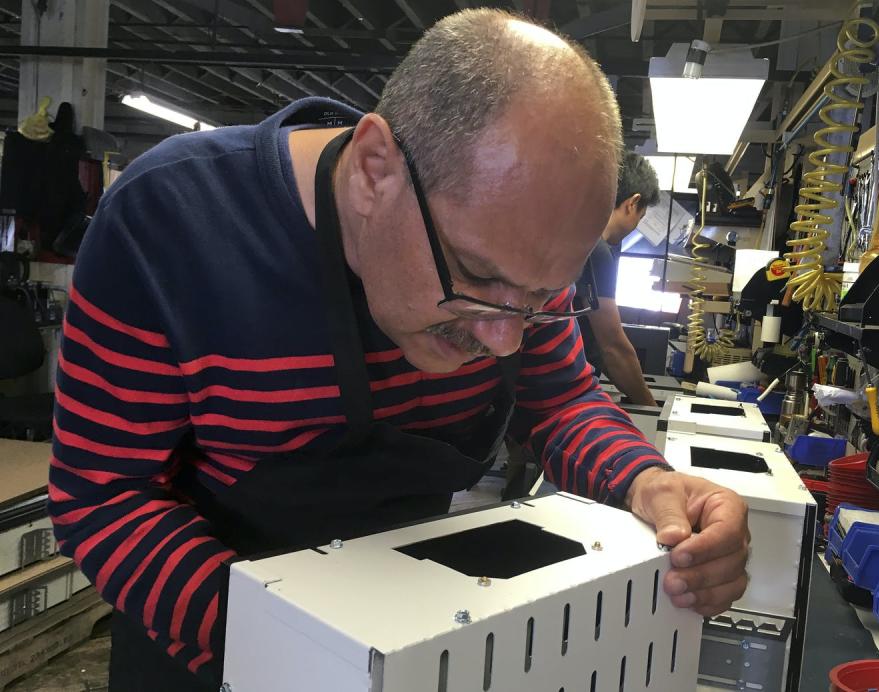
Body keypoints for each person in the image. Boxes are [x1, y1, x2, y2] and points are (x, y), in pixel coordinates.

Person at [48, 10, 749, 691]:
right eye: (477, 277)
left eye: (542, 299)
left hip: (412, 629)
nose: (505, 336)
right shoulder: (170, 221)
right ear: (375, 168)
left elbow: (560, 399)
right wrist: (283, 646)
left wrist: (646, 481)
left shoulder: (512, 268)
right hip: (210, 641)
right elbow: (104, 496)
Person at [576, 152, 661, 406]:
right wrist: (650, 408)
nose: (636, 225)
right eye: (640, 217)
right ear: (632, 203)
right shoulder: (597, 251)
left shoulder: (575, 237)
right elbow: (612, 346)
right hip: (556, 397)